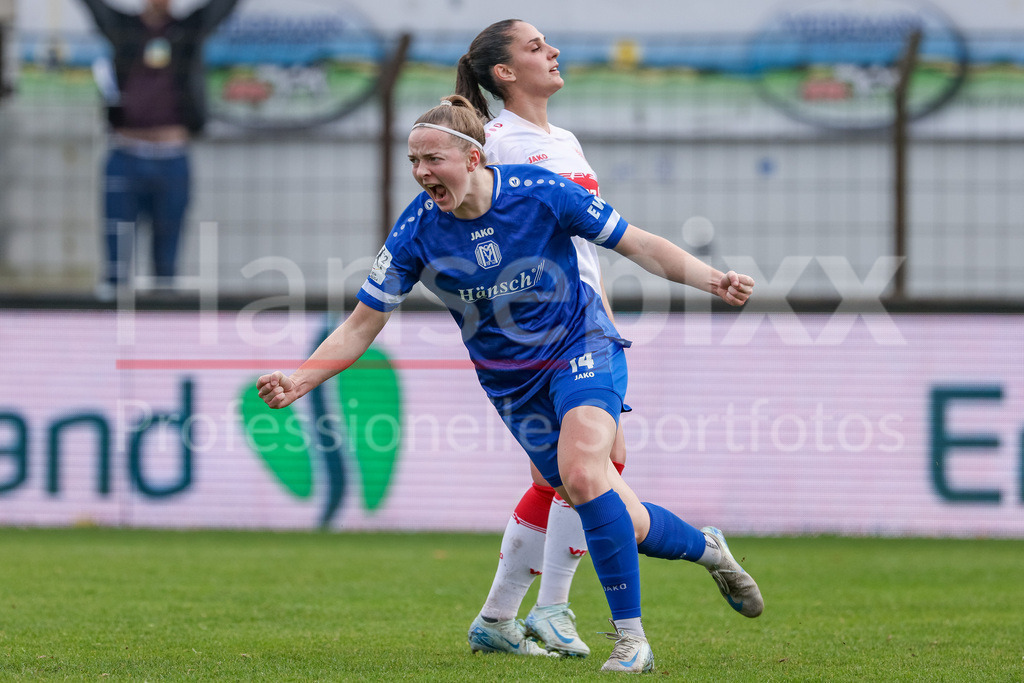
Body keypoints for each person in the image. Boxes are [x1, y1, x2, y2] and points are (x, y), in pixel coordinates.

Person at [256, 95, 763, 673]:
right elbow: (359, 326)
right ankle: (708, 549)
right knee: (607, 503)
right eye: (413, 161)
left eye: (433, 159)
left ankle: (631, 640)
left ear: (473, 158)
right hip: (512, 387)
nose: (422, 172)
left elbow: (639, 244)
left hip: (582, 345)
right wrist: (301, 379)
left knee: (581, 472)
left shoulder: (540, 191)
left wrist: (713, 280)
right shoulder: (416, 232)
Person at [454, 20, 762, 659]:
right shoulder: (500, 146)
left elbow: (615, 239)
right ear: (504, 73)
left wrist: (708, 279)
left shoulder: (560, 139)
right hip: (535, 339)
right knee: (588, 478)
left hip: (581, 329)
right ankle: (569, 603)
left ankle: (511, 616)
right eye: (535, 47)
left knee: (583, 474)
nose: (553, 51)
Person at [77, 0, 241, 296]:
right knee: (115, 265)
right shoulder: (123, 27)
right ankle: (111, 328)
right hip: (125, 154)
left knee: (166, 267)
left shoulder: (188, 29)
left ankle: (161, 328)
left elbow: (224, 7)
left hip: (172, 157)